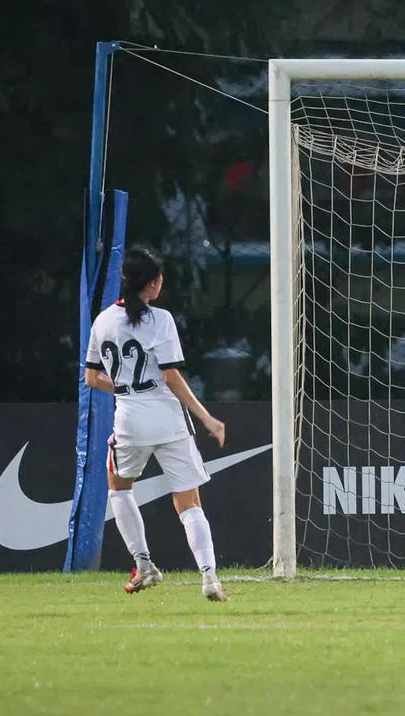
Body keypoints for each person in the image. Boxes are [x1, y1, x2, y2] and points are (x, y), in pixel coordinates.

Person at [84, 245, 229, 601]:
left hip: (130, 421)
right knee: (190, 503)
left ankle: (144, 564)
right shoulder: (160, 320)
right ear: (152, 284)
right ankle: (210, 579)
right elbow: (172, 378)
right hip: (167, 420)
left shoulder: (102, 321)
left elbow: (91, 378)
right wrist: (206, 417)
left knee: (119, 488)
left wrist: (123, 387)